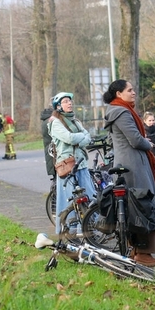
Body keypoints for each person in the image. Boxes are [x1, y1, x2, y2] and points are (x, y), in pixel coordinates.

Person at [104, 79, 155, 267]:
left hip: (130, 163)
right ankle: (142, 252)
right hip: (133, 165)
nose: (133, 92)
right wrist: (150, 144)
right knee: (142, 204)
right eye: (129, 90)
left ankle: (136, 249)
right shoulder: (121, 112)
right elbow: (136, 140)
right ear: (118, 94)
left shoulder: (119, 111)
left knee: (135, 205)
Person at [48, 93, 96, 235]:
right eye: (65, 101)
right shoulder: (55, 122)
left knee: (90, 195)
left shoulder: (75, 120)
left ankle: (89, 227)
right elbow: (69, 138)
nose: (69, 103)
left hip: (81, 163)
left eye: (70, 101)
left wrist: (80, 138)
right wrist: (82, 137)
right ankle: (69, 230)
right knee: (69, 200)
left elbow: (88, 137)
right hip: (67, 166)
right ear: (58, 106)